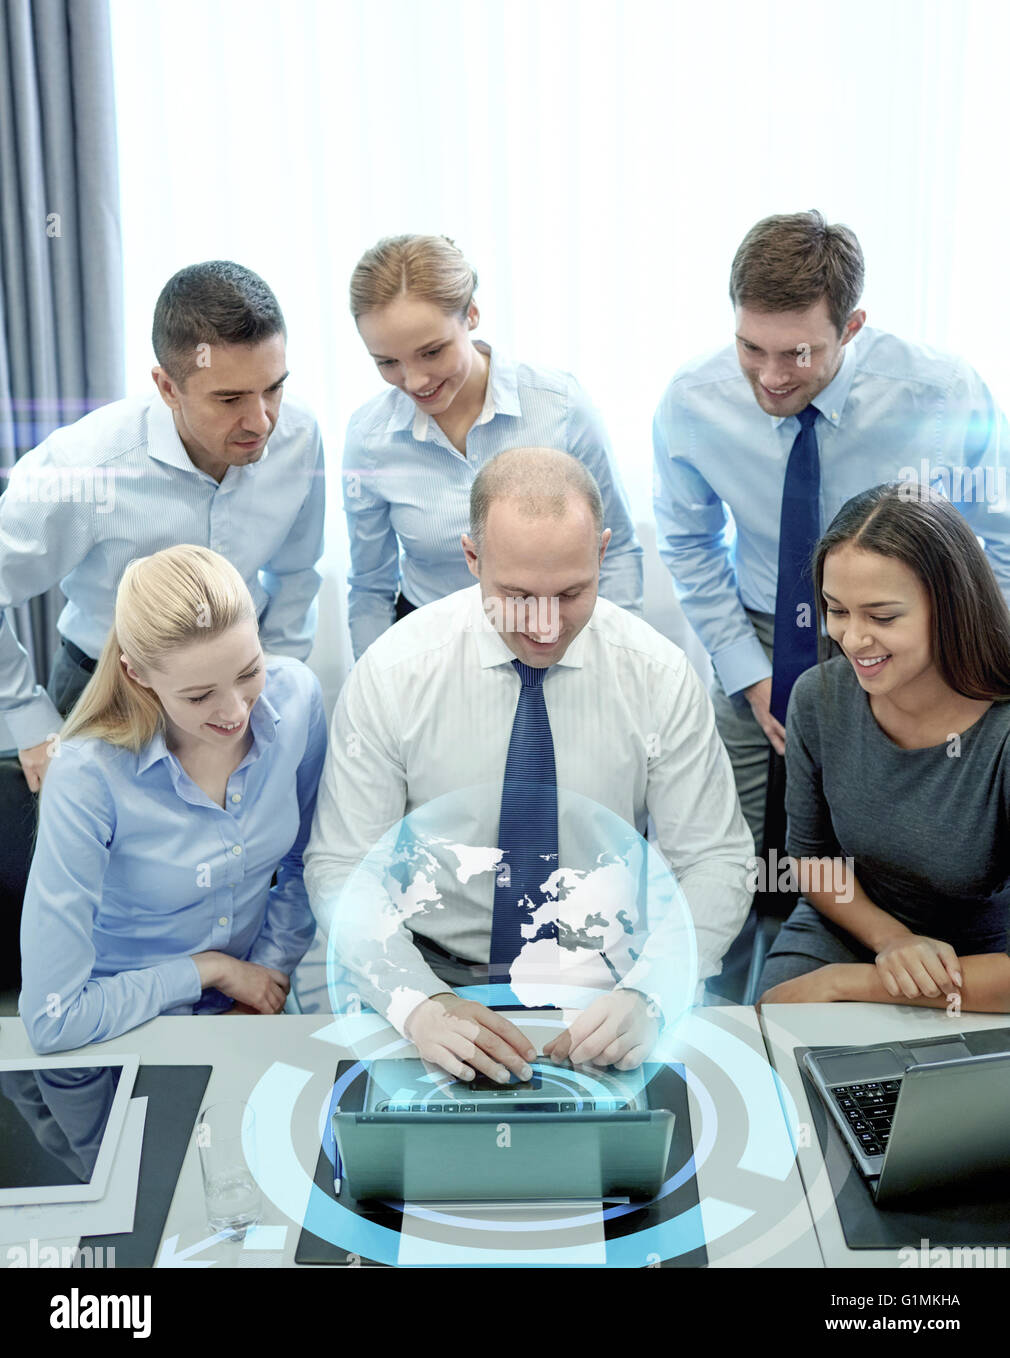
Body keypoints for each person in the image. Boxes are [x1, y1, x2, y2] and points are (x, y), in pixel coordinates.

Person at [305, 447, 752, 1082]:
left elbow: (714, 860)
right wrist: (417, 1003)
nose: (545, 626)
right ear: (471, 559)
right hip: (431, 972)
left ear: (602, 554)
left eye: (571, 593)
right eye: (516, 595)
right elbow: (343, 866)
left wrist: (652, 992)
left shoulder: (657, 675)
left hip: (607, 980)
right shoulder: (394, 672)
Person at [652, 210, 1010, 848]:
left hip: (912, 639)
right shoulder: (691, 402)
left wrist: (964, 652)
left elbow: (1003, 534)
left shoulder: (941, 394)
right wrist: (750, 674)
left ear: (852, 326)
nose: (771, 377)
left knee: (887, 844)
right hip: (761, 637)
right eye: (750, 348)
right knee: (728, 851)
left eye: (797, 353)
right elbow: (687, 542)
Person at [1, 260, 325, 791]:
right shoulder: (82, 467)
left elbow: (296, 572)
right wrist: (30, 724)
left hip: (238, 694)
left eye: (273, 388)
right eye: (229, 399)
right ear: (167, 386)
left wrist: (270, 686)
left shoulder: (300, 435)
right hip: (110, 697)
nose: (262, 421)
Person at [19, 546, 327, 1053]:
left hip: (253, 1000)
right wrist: (208, 972)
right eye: (199, 695)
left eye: (249, 672)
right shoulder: (86, 775)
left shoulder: (298, 700)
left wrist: (265, 972)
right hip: (122, 1025)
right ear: (137, 674)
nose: (235, 712)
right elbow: (54, 1021)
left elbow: (306, 861)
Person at [756, 484, 1010, 1011]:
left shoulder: (1002, 731)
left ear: (952, 607)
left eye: (882, 616)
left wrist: (852, 982)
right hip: (852, 924)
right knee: (770, 1049)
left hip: (988, 961)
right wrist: (891, 941)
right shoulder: (818, 698)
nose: (852, 639)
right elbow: (813, 861)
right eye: (836, 610)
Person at [342, 234, 643, 660]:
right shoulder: (369, 439)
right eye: (388, 362)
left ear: (472, 315)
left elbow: (619, 550)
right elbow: (370, 587)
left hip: (556, 637)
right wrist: (373, 680)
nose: (414, 381)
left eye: (432, 351)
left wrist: (616, 659)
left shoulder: (560, 406)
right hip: (432, 649)